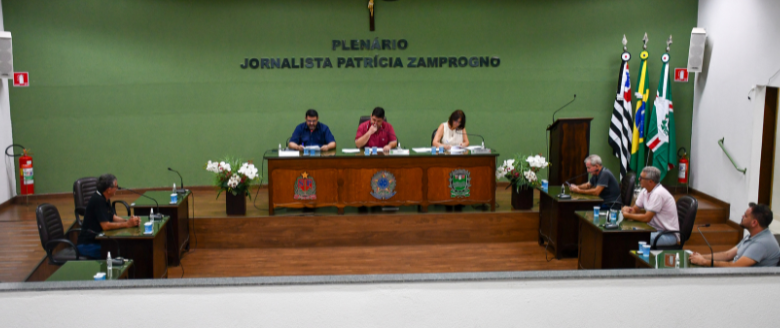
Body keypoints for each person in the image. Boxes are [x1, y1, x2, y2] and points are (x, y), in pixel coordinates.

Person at [690, 203, 780, 267]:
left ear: (754, 223)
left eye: (745, 216)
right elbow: (727, 255)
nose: (742, 216)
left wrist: (704, 262)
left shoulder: (761, 244)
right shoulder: (753, 236)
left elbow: (736, 267)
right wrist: (701, 256)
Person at [76, 174, 141, 259]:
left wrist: (127, 221)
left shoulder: (105, 197)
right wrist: (127, 224)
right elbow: (106, 226)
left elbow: (112, 216)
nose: (117, 188)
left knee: (120, 248)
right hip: (88, 245)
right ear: (109, 190)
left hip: (99, 240)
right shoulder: (98, 200)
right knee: (117, 252)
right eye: (116, 186)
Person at [621, 166, 679, 247]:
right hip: (652, 229)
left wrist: (628, 215)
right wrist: (628, 210)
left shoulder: (658, 193)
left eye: (641, 178)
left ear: (650, 181)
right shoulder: (645, 190)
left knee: (633, 238)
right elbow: (636, 209)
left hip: (667, 235)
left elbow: (646, 218)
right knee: (628, 234)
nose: (639, 179)